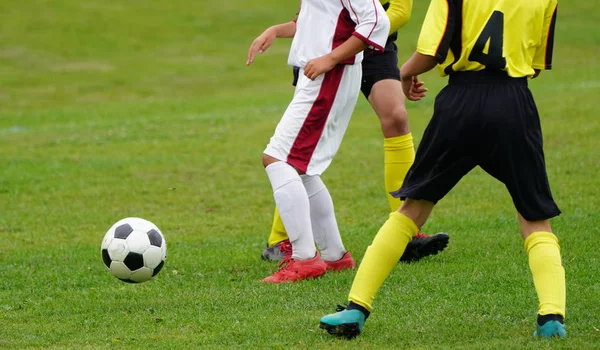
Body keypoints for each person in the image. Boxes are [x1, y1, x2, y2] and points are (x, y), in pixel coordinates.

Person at [320, 0, 565, 339]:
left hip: (460, 105)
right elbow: (535, 63)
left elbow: (432, 51)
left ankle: (355, 309)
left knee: (412, 209)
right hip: (514, 103)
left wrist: (404, 73)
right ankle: (552, 316)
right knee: (535, 219)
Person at [260, 0, 450, 265]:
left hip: (356, 42)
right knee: (300, 147)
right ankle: (284, 239)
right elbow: (309, 15)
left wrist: (352, 35)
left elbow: (393, 14)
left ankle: (404, 228)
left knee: (395, 118)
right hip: (328, 45)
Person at [247, 0, 390, 283]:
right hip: (320, 74)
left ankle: (305, 259)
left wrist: (332, 58)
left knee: (277, 158)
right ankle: (335, 256)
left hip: (329, 75)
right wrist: (276, 30)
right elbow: (316, 22)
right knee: (300, 167)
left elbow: (376, 22)